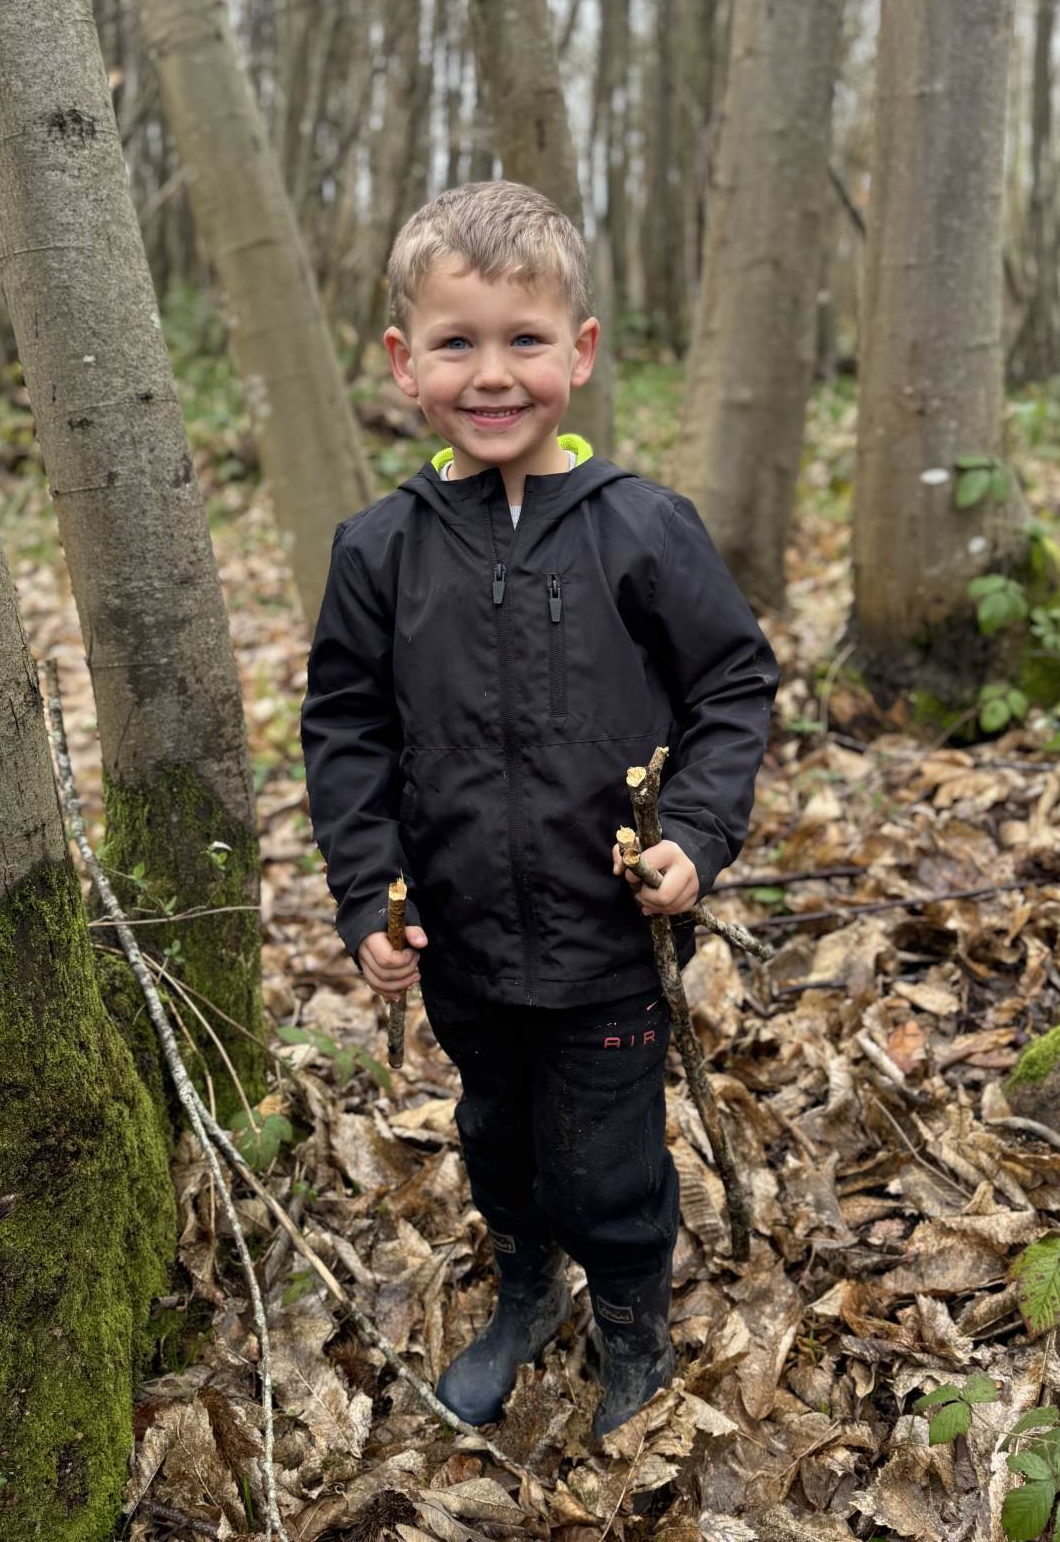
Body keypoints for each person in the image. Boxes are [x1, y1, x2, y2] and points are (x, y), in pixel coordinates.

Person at [301, 180, 780, 1439]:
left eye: (525, 339)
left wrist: (698, 837)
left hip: (607, 935)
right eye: (456, 342)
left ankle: (632, 1321)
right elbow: (346, 732)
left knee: (607, 1159)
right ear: (405, 361)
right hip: (460, 937)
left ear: (580, 350)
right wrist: (370, 898)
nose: (492, 374)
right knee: (497, 1136)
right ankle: (527, 1288)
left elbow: (732, 685)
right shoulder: (379, 549)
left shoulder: (643, 528)